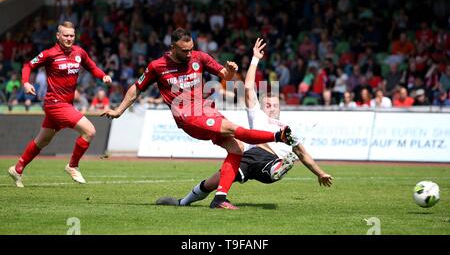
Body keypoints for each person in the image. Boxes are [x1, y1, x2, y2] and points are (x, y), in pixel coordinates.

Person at [102, 29, 295, 209]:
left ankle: (220, 199)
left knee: (237, 148)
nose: (189, 54)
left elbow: (225, 76)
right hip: (188, 116)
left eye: (191, 49)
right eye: (184, 51)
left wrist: (230, 70)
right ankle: (277, 136)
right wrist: (119, 110)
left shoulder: (199, 57)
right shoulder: (157, 66)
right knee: (234, 129)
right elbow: (136, 88)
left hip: (206, 110)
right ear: (173, 48)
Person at [156, 38, 333, 207]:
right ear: (262, 105)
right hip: (249, 157)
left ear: (280, 107)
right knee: (214, 182)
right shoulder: (258, 115)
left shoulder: (287, 129)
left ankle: (277, 167)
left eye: (275, 105)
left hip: (267, 160)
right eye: (268, 104)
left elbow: (303, 155)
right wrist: (255, 58)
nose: (271, 107)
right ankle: (183, 202)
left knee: (276, 158)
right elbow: (248, 87)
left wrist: (320, 173)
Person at [8, 21, 112, 188]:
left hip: (65, 104)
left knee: (42, 141)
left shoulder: (79, 52)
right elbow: (28, 65)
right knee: (89, 131)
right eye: (65, 35)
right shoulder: (49, 54)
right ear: (58, 36)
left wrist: (103, 76)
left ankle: (17, 169)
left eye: (71, 35)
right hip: (55, 104)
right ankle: (72, 166)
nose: (69, 38)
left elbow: (92, 67)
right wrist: (26, 83)